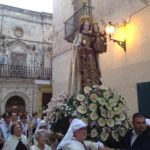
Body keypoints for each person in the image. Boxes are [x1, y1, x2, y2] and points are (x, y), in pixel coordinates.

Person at [68, 15, 101, 95]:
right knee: (84, 75)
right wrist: (79, 46)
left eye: (88, 25)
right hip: (83, 59)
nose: (87, 27)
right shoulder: (79, 35)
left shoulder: (91, 36)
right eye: (85, 25)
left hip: (91, 58)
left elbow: (96, 47)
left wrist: (96, 38)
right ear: (82, 26)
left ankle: (94, 89)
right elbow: (75, 45)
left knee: (93, 74)